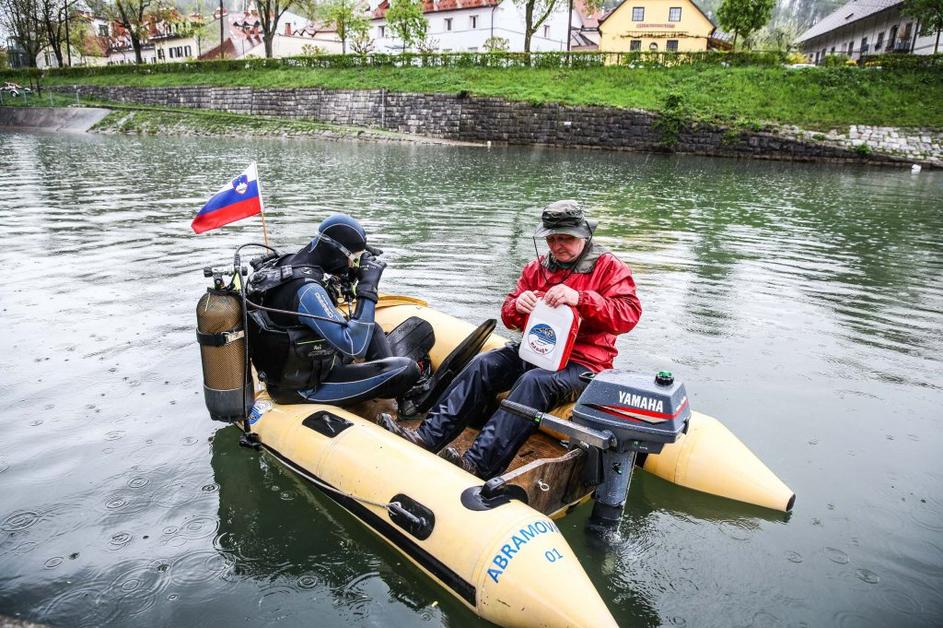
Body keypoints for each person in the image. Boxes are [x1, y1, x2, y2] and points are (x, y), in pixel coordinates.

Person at [381, 200, 642, 479]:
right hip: (536, 350)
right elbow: (509, 315)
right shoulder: (535, 268)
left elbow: (629, 313)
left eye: (565, 238)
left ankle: (479, 465)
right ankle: (428, 437)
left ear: (584, 235)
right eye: (551, 239)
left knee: (534, 382)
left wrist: (581, 298)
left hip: (584, 363)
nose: (556, 245)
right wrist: (518, 305)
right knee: (484, 363)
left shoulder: (609, 267)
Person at [247, 214, 419, 406]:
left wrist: (354, 259)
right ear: (337, 252)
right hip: (302, 388)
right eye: (353, 259)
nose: (353, 264)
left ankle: (392, 387)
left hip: (297, 360)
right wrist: (368, 286)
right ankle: (407, 403)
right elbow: (355, 346)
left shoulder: (288, 262)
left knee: (373, 330)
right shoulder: (308, 290)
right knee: (406, 370)